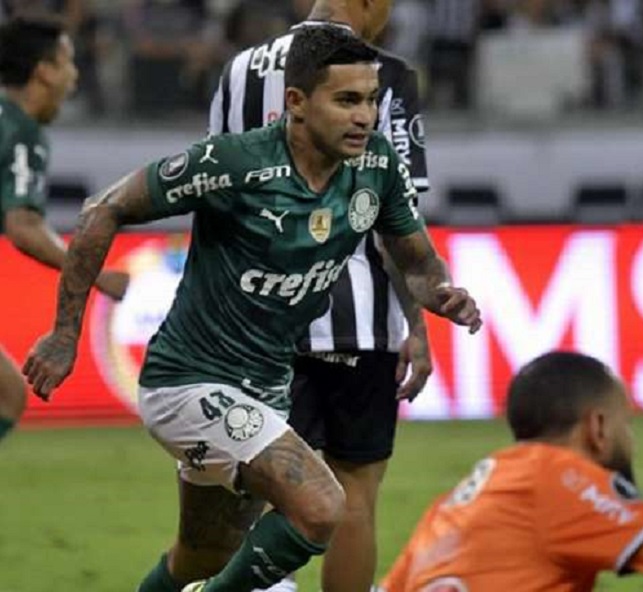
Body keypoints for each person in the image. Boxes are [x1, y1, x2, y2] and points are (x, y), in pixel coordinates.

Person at [22, 25, 482, 592]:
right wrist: (64, 333)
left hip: (266, 390)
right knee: (322, 505)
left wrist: (441, 292)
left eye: (370, 100)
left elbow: (415, 261)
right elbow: (101, 210)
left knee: (201, 555)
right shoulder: (235, 164)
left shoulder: (376, 166)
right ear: (297, 102)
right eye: (346, 100)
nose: (364, 117)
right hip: (188, 384)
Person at [208, 3, 433, 591]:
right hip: (358, 321)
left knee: (261, 489)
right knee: (354, 492)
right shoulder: (384, 74)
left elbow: (218, 191)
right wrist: (418, 325)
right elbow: (398, 220)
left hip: (258, 320)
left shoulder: (240, 71)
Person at [380, 351, 643, 592]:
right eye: (625, 424)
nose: (631, 441)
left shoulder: (450, 506)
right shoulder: (564, 482)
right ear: (598, 426)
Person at [0, 15, 127, 444]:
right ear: (45, 71)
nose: (74, 77)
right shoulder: (20, 131)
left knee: (6, 394)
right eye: (69, 62)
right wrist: (96, 274)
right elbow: (23, 225)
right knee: (6, 396)